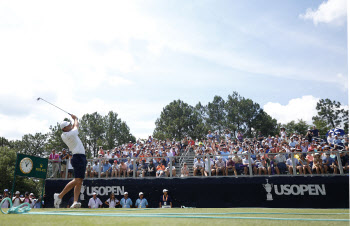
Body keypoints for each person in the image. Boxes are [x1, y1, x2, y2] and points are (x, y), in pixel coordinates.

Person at [54, 114, 87, 209]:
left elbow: (73, 127)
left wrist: (73, 121)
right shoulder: (70, 134)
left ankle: (75, 202)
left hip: (81, 157)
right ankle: (59, 196)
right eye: (68, 125)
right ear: (64, 128)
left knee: (79, 181)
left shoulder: (67, 133)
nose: (70, 125)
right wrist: (75, 118)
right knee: (77, 180)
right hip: (78, 157)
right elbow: (76, 126)